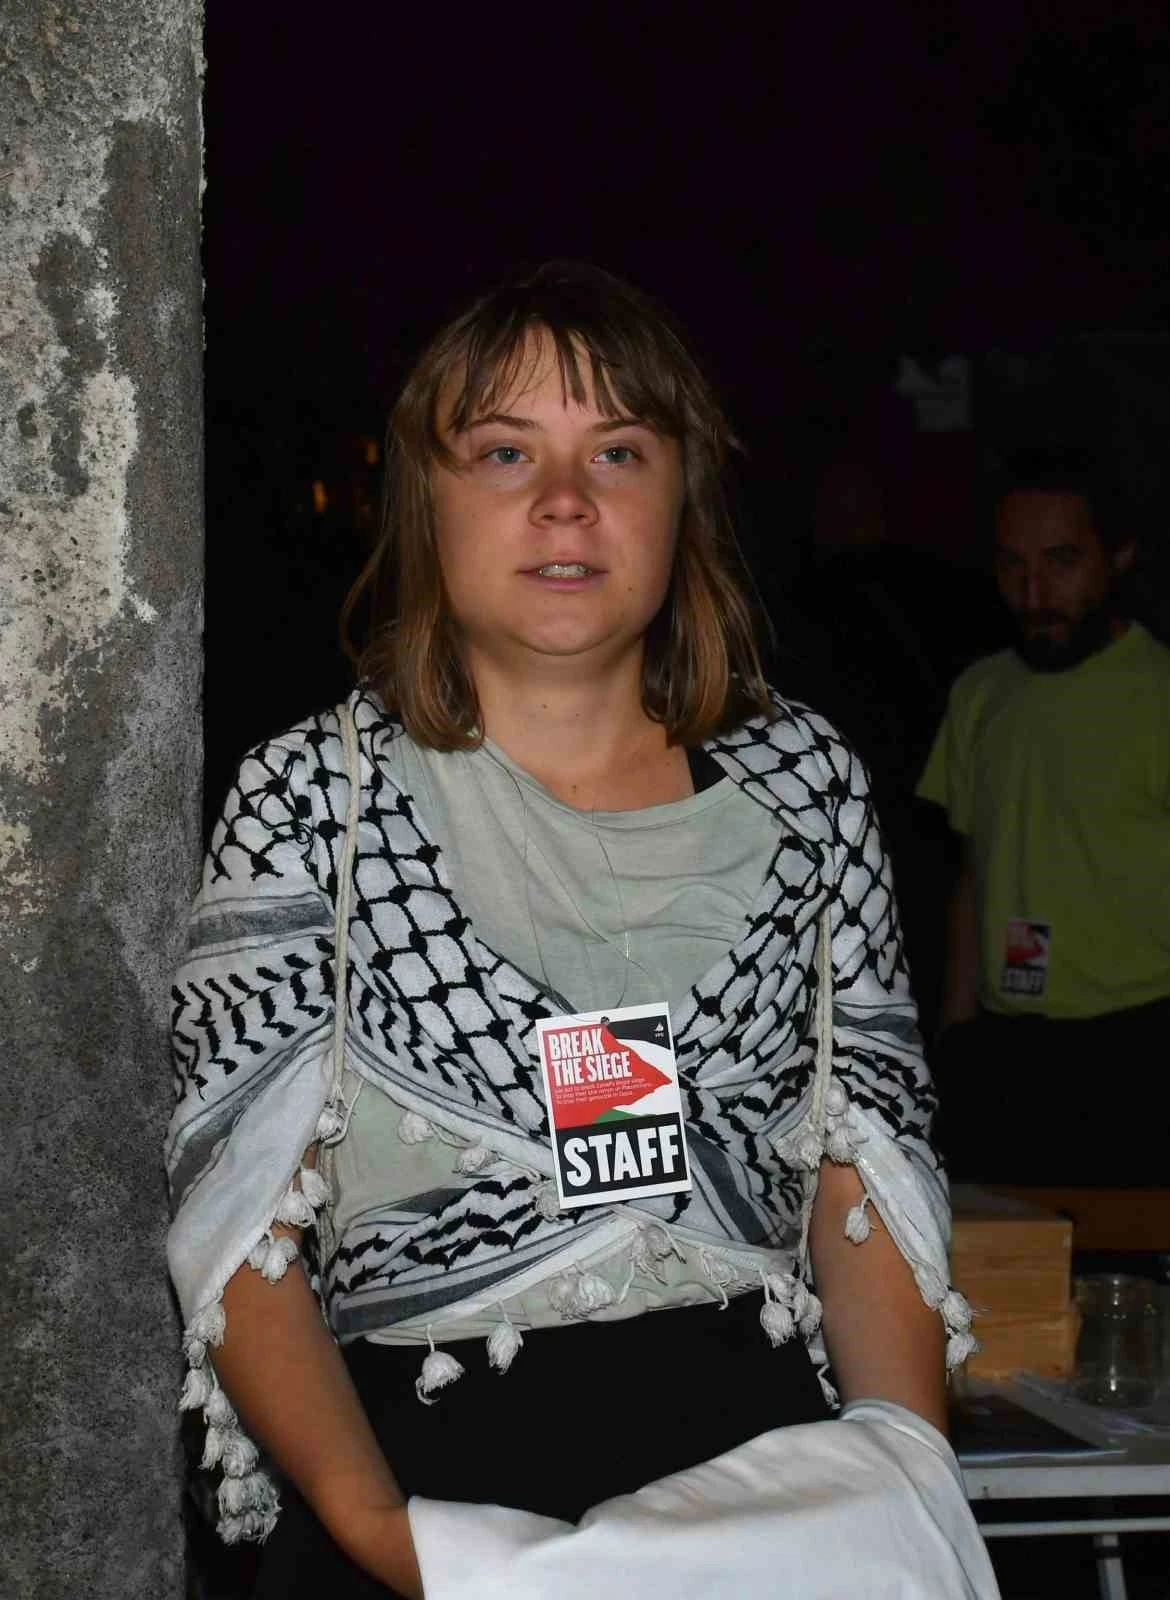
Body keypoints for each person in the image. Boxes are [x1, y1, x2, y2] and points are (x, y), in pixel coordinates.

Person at [166, 263, 994, 1599]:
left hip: (755, 1494)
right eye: (505, 452)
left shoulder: (806, 785)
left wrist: (900, 1472)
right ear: (426, 499)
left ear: (682, 496)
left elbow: (868, 1165)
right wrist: (380, 1530)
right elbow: (240, 1213)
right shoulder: (318, 798)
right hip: (434, 1489)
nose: (565, 500)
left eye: (617, 450)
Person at [918, 448, 1170, 1184]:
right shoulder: (979, 693)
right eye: (1012, 565)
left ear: (1118, 555)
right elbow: (973, 870)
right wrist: (955, 1036)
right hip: (1008, 1045)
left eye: (1061, 562)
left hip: (1141, 1036)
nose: (1033, 593)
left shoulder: (1159, 690)